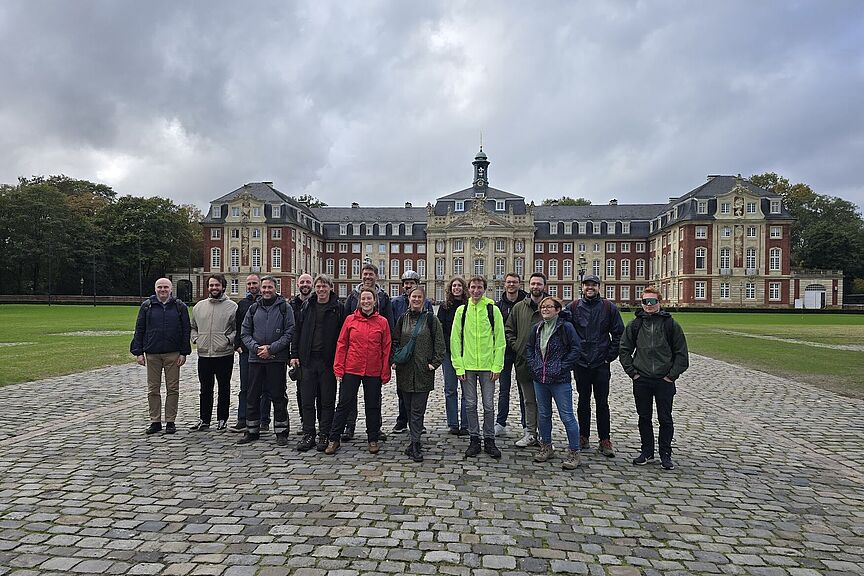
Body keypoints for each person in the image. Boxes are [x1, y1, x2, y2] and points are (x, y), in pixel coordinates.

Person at [619, 286, 690, 470]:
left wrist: (671, 376)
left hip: (663, 380)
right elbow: (624, 350)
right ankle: (647, 452)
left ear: (660, 302)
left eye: (652, 301)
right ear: (641, 303)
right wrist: (632, 373)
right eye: (645, 301)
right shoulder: (634, 325)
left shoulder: (670, 325)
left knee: (665, 418)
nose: (649, 305)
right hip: (641, 379)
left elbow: (681, 354)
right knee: (644, 417)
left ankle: (665, 454)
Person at [326, 286, 392, 455]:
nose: (366, 302)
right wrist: (338, 368)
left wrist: (385, 371)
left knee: (373, 406)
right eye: (363, 299)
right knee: (343, 404)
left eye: (369, 298)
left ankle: (373, 438)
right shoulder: (350, 320)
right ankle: (334, 438)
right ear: (359, 301)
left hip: (373, 369)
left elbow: (386, 348)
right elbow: (342, 344)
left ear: (375, 301)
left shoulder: (382, 322)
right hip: (352, 367)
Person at [565, 274, 624, 456]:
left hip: (600, 363)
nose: (590, 288)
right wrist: (573, 356)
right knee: (583, 401)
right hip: (581, 363)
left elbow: (619, 334)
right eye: (586, 285)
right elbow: (564, 330)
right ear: (582, 287)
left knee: (602, 403)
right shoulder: (573, 307)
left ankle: (604, 439)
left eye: (593, 285)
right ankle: (583, 436)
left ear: (599, 287)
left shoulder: (608, 307)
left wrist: (609, 357)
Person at [450, 275, 506, 459]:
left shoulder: (492, 309)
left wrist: (497, 366)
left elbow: (500, 340)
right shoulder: (462, 310)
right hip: (468, 366)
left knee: (489, 406)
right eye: (473, 287)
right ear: (469, 289)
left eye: (479, 287)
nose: (476, 290)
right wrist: (458, 366)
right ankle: (474, 438)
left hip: (488, 366)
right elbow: (455, 339)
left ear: (484, 289)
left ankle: (489, 439)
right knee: (471, 404)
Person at [525, 296, 583, 470]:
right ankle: (546, 446)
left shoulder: (566, 327)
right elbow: (530, 348)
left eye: (549, 307)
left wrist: (562, 366)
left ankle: (574, 451)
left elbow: (576, 349)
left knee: (567, 416)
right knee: (543, 415)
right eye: (543, 307)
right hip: (540, 378)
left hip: (559, 379)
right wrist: (534, 364)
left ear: (558, 310)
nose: (545, 310)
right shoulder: (537, 328)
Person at [290, 274, 345, 452]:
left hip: (328, 361)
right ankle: (309, 434)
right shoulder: (307, 306)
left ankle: (324, 433)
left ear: (331, 287)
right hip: (308, 360)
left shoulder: (338, 308)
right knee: (307, 400)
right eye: (318, 286)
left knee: (327, 401)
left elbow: (344, 337)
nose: (321, 290)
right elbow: (297, 331)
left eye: (324, 286)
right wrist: (294, 354)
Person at [238, 276, 295, 446]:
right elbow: (245, 332)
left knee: (278, 396)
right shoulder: (254, 308)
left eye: (270, 287)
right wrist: (256, 348)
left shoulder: (285, 308)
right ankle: (252, 430)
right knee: (252, 395)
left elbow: (290, 332)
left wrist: (271, 348)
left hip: (276, 358)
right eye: (264, 287)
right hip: (255, 358)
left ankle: (281, 431)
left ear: (275, 288)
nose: (266, 290)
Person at [130, 278, 191, 435]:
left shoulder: (179, 307)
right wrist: (138, 352)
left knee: (173, 388)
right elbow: (139, 328)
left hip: (173, 353)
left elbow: (186, 331)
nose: (162, 290)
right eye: (160, 287)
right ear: (155, 288)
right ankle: (155, 421)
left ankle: (170, 421)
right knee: (153, 389)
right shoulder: (147, 306)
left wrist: (184, 352)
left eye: (165, 287)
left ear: (171, 289)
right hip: (152, 353)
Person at [392, 286, 445, 462]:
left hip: (423, 371)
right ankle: (414, 440)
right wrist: (394, 360)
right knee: (408, 407)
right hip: (405, 371)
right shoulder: (402, 319)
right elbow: (395, 341)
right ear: (409, 298)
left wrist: (434, 364)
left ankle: (415, 443)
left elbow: (440, 344)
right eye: (413, 297)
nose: (415, 300)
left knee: (417, 409)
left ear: (424, 300)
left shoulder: (431, 320)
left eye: (419, 297)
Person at [341, 263, 393, 441]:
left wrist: (387, 358)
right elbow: (345, 324)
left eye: (371, 274)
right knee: (350, 396)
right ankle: (350, 426)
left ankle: (375, 428)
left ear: (376, 276)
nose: (367, 277)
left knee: (374, 397)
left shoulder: (383, 298)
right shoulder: (352, 296)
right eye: (365, 274)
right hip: (354, 357)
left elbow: (389, 327)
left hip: (374, 357)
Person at [189, 273, 238, 431]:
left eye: (217, 285)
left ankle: (222, 419)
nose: (214, 288)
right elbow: (193, 327)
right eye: (211, 285)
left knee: (224, 388)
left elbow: (238, 329)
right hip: (204, 353)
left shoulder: (232, 307)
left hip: (224, 353)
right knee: (205, 389)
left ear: (223, 287)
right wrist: (196, 339)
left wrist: (228, 340)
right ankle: (205, 419)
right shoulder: (199, 306)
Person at [504, 272, 547, 448]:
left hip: (546, 363)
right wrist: (518, 347)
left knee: (544, 401)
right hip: (524, 360)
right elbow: (509, 330)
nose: (536, 287)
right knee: (528, 400)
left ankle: (545, 435)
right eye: (533, 284)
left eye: (539, 284)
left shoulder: (550, 306)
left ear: (544, 286)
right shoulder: (519, 307)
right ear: (528, 286)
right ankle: (530, 433)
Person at [390, 270, 433, 435]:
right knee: (403, 389)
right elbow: (392, 327)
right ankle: (402, 420)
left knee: (420, 391)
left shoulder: (426, 303)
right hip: (402, 353)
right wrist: (394, 356)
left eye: (411, 283)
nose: (408, 285)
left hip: (420, 352)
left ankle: (417, 422)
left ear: (417, 285)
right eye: (406, 283)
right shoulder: (395, 303)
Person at [230, 274, 272, 433]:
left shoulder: (268, 302)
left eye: (255, 283)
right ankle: (243, 418)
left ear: (260, 285)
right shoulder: (242, 304)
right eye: (249, 283)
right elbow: (238, 326)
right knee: (245, 386)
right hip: (246, 351)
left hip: (264, 350)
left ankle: (264, 420)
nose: (252, 286)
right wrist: (237, 345)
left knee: (265, 387)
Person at [494, 273, 528, 437]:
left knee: (524, 389)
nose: (511, 285)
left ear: (519, 284)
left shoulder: (527, 304)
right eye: (509, 282)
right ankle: (500, 422)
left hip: (522, 352)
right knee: (503, 389)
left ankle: (526, 425)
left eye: (514, 282)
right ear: (504, 284)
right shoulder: (498, 305)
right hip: (505, 352)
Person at [436, 276, 469, 435]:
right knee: (450, 389)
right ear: (450, 288)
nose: (457, 288)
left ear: (464, 288)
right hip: (448, 353)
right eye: (454, 285)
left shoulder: (469, 305)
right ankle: (453, 423)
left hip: (466, 353)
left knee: (466, 390)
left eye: (459, 286)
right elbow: (440, 330)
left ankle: (466, 424)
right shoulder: (444, 307)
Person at [288, 273, 314, 433]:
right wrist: (293, 354)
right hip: (300, 354)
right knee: (301, 391)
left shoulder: (317, 302)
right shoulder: (292, 304)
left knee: (319, 392)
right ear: (298, 284)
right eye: (302, 282)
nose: (305, 285)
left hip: (315, 354)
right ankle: (306, 422)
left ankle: (320, 423)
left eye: (308, 282)